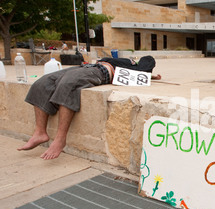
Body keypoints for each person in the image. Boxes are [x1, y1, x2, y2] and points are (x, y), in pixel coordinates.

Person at [17, 56, 161, 160]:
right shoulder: (114, 59)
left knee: (69, 84)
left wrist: (148, 73)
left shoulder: (134, 66)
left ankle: (60, 139)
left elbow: (148, 60)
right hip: (84, 67)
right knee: (42, 83)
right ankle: (40, 132)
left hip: (102, 72)